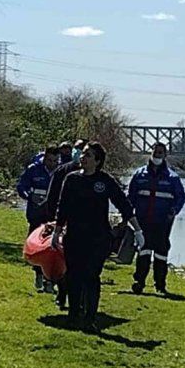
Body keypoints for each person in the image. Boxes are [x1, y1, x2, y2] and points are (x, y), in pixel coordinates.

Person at [51, 141, 145, 332]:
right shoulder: (71, 179)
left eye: (88, 155)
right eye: (83, 154)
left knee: (92, 277)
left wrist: (137, 230)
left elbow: (123, 204)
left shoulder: (105, 181)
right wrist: (56, 231)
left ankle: (89, 319)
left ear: (98, 161)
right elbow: (63, 208)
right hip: (74, 236)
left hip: (98, 238)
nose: (83, 158)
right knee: (74, 276)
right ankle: (73, 316)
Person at [128, 142, 185, 294]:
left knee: (161, 254)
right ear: (151, 153)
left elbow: (180, 197)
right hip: (143, 221)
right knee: (143, 251)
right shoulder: (139, 175)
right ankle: (139, 282)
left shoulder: (172, 177)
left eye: (161, 152)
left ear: (165, 155)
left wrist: (174, 210)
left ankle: (160, 285)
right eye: (155, 152)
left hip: (163, 222)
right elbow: (131, 197)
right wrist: (128, 216)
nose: (157, 155)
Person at [45, 139, 86, 309]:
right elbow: (52, 198)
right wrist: (51, 222)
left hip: (86, 225)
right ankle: (62, 294)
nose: (78, 153)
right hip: (63, 223)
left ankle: (81, 299)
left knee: (82, 264)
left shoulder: (97, 176)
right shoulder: (62, 171)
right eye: (77, 149)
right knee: (63, 261)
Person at [17, 145, 60, 294]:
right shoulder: (33, 169)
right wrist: (29, 196)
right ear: (45, 157)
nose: (52, 163)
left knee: (53, 247)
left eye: (55, 160)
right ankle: (38, 274)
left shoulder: (60, 172)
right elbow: (21, 186)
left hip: (52, 214)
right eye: (49, 160)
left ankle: (50, 281)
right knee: (37, 245)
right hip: (36, 213)